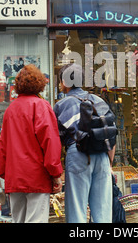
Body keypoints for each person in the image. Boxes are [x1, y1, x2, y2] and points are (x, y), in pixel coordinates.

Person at [0, 64, 63, 223]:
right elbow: (49, 141)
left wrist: (5, 174)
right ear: (40, 84)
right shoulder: (41, 106)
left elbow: (3, 146)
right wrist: (55, 174)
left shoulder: (10, 110)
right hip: (36, 176)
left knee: (17, 220)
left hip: (14, 177)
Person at [54, 63, 115, 223]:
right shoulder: (99, 100)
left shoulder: (61, 105)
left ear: (65, 83)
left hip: (78, 154)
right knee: (103, 213)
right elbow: (111, 135)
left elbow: (56, 142)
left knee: (77, 211)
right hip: (102, 155)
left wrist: (57, 171)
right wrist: (109, 164)